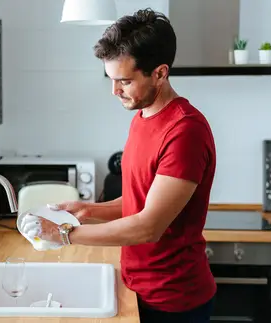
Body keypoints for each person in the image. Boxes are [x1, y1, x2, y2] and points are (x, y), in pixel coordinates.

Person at [21, 8, 217, 323]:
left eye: (124, 81)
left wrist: (66, 233)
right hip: (137, 287)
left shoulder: (185, 131)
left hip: (174, 301)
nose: (115, 91)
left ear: (159, 72)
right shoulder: (143, 117)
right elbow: (140, 200)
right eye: (112, 79)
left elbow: (149, 226)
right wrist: (88, 210)